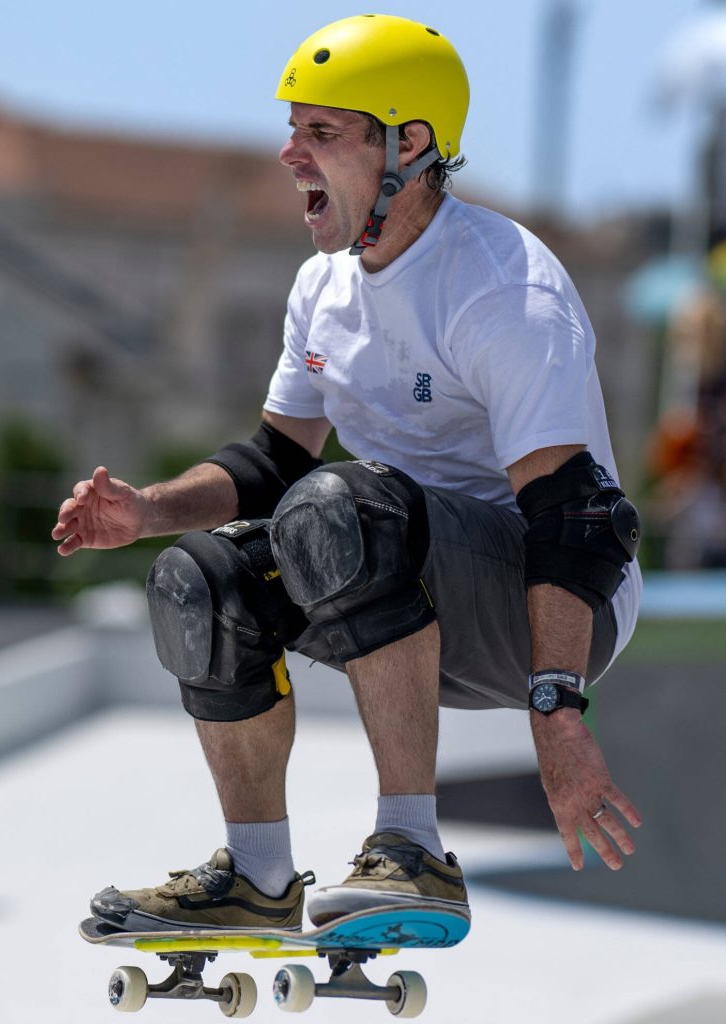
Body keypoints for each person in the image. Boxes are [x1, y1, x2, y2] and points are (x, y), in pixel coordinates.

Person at [52, 14, 643, 934]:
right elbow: (272, 462)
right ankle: (258, 876)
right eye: (293, 130)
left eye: (322, 133)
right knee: (200, 580)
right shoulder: (321, 289)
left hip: (545, 615)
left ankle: (412, 852)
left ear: (409, 145)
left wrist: (557, 715)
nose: (291, 157)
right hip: (392, 594)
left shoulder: (502, 285)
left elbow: (577, 519)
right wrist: (146, 511)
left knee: (340, 506)